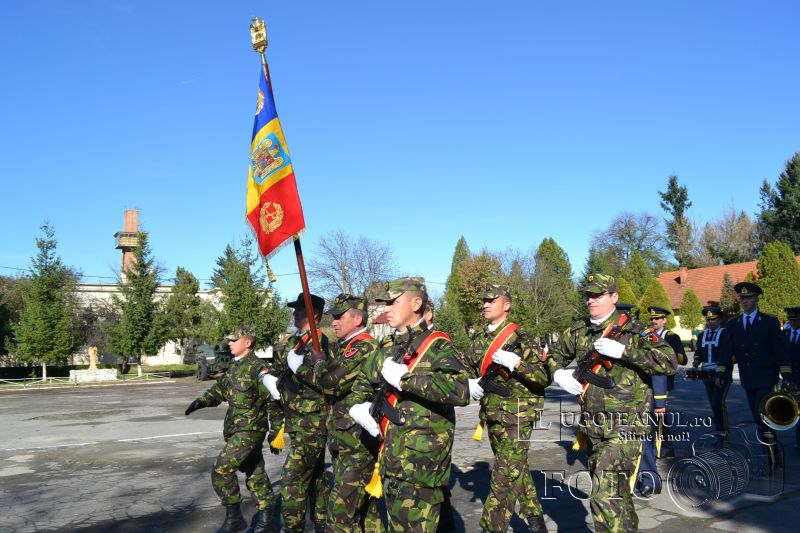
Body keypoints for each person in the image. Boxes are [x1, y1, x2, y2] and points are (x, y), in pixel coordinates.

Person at [548, 273, 677, 532]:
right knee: (617, 495)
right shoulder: (578, 330)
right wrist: (557, 373)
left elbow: (669, 361)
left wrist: (625, 352)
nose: (591, 300)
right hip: (593, 426)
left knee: (603, 492)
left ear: (614, 297)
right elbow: (552, 355)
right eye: (588, 295)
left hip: (626, 425)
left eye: (598, 295)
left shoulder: (636, 330)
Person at [348, 277, 470, 533]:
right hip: (391, 458)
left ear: (416, 304)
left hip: (422, 463)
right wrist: (358, 407)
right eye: (385, 303)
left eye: (393, 302)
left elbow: (460, 390)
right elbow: (363, 380)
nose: (387, 308)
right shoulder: (389, 346)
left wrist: (407, 380)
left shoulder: (436, 345)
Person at [464, 284, 550, 533]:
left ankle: (492, 526)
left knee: (504, 473)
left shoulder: (524, 339)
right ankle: (535, 518)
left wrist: (518, 364)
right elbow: (466, 369)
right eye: (484, 300)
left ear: (507, 305)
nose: (485, 304)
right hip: (491, 413)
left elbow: (543, 378)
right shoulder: (478, 341)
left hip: (519, 415)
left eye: (492, 300)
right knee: (515, 467)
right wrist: (469, 383)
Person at [293, 293, 381, 532]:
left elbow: (330, 382)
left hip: (357, 444)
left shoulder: (363, 347)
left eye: (340, 317)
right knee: (367, 516)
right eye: (333, 317)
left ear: (358, 319)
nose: (334, 322)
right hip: (345, 440)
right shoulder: (347, 347)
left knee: (340, 518)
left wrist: (314, 364)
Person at [185, 325, 278, 533]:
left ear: (248, 342)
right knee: (255, 472)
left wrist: (276, 430)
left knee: (221, 469)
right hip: (235, 429)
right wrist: (201, 401)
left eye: (234, 340)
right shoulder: (234, 367)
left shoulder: (259, 368)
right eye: (229, 339)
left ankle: (234, 517)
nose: (229, 343)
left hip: (250, 430)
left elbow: (273, 399)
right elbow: (219, 390)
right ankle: (266, 520)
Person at [262, 293, 331, 533]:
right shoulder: (297, 341)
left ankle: (293, 528)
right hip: (297, 419)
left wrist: (298, 368)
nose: (294, 313)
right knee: (316, 474)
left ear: (314, 314)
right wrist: (270, 379)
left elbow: (323, 381)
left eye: (300, 310)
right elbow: (282, 371)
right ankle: (321, 521)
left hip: (312, 421)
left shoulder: (319, 343)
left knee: (292, 479)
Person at [716, 282, 793, 442]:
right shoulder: (733, 324)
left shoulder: (769, 321)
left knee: (762, 412)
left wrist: (786, 373)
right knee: (757, 414)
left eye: (749, 297)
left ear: (757, 299)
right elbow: (726, 350)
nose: (745, 301)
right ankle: (769, 446)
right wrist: (721, 372)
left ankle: (771, 448)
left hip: (767, 376)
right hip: (747, 376)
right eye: (742, 298)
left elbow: (778, 348)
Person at [634, 306, 685, 496]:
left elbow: (681, 358)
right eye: (652, 319)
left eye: (658, 319)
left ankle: (665, 446)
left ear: (665, 320)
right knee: (657, 420)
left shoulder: (671, 336)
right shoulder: (646, 335)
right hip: (649, 383)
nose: (654, 321)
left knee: (660, 417)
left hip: (664, 382)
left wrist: (667, 353)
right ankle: (663, 447)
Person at [692, 306, 731, 435]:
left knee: (717, 403)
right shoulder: (702, 335)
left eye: (713, 319)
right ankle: (720, 431)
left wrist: (721, 373)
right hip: (706, 374)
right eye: (708, 319)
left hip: (721, 373)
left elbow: (727, 355)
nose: (710, 322)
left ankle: (723, 433)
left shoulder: (725, 334)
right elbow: (698, 352)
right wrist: (696, 362)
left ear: (719, 319)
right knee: (713, 403)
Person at [784, 306, 800, 451]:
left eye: (796, 320)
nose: (793, 322)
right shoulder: (785, 334)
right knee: (796, 410)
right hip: (790, 378)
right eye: (791, 319)